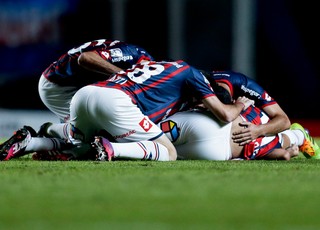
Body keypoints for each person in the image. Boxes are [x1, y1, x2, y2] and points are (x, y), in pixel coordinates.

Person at [0, 60, 254, 161]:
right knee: (169, 152)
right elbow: (225, 114)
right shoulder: (192, 75)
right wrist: (242, 104)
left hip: (87, 94)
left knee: (78, 145)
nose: (200, 105)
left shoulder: (164, 69)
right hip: (116, 101)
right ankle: (111, 150)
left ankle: (33, 141)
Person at [39, 38, 154, 122]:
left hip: (67, 82)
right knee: (93, 132)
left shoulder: (135, 56)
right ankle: (39, 137)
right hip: (57, 85)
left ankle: (42, 138)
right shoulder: (131, 54)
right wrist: (122, 76)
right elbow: (85, 58)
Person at [158, 106, 319, 161]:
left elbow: (283, 154)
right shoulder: (269, 143)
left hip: (226, 132)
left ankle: (298, 136)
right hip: (223, 143)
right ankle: (299, 136)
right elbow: (283, 155)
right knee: (165, 151)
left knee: (160, 144)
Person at [202, 70, 291, 145]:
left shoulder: (246, 86)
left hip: (256, 120)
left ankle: (298, 135)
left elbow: (284, 121)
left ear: (233, 100)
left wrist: (259, 130)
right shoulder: (198, 93)